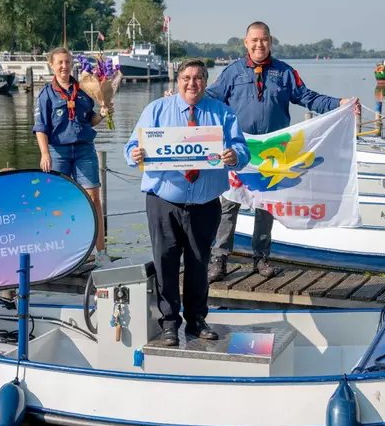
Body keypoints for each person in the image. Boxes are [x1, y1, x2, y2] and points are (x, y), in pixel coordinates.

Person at [204, 21, 361, 281]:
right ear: (246, 43)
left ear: (271, 41)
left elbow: (309, 98)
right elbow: (209, 99)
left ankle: (261, 257)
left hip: (273, 153)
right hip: (238, 151)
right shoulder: (232, 73)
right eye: (254, 40)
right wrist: (181, 99)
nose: (259, 44)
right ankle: (219, 260)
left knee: (266, 206)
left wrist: (340, 103)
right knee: (229, 205)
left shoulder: (285, 73)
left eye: (263, 39)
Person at [124, 58, 250, 346]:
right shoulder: (156, 110)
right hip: (163, 200)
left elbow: (242, 149)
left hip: (205, 204)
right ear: (177, 81)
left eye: (198, 78)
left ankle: (196, 321)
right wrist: (134, 155)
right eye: (186, 78)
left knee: (199, 263)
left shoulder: (222, 114)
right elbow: (131, 146)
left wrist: (235, 156)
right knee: (165, 263)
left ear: (205, 82)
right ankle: (169, 324)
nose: (192, 83)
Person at [33, 47, 112, 267]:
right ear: (52, 65)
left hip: (85, 150)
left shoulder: (85, 91)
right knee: (60, 202)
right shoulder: (46, 94)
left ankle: (101, 253)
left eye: (67, 62)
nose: (64, 66)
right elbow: (40, 128)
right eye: (59, 62)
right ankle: (62, 253)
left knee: (94, 200)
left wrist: (103, 114)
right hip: (58, 152)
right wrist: (44, 153)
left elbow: (90, 121)